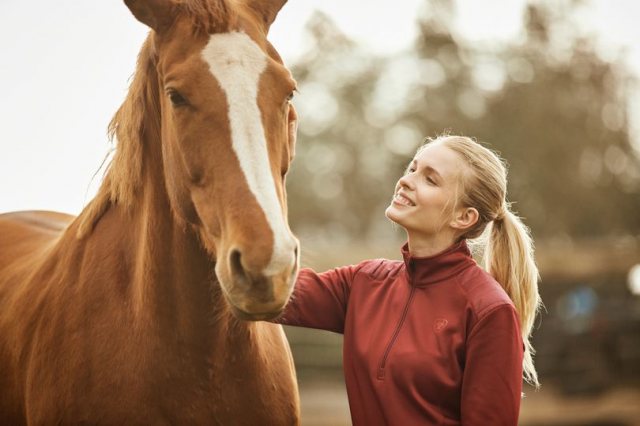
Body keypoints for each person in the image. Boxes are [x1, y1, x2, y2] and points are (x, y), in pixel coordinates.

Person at [276, 134, 542, 426]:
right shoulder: (364, 282)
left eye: (430, 179)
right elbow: (266, 291)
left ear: (464, 217)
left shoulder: (489, 310)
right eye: (412, 168)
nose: (407, 180)